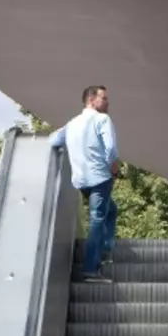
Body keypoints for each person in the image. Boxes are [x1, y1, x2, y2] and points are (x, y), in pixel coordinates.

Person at [50, 85, 121, 282]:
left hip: (81, 181)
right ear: (91, 100)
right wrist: (113, 169)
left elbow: (53, 141)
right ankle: (91, 269)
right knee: (97, 219)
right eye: (103, 98)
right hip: (100, 178)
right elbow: (111, 149)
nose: (107, 102)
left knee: (111, 210)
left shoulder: (72, 123)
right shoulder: (102, 119)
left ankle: (105, 250)